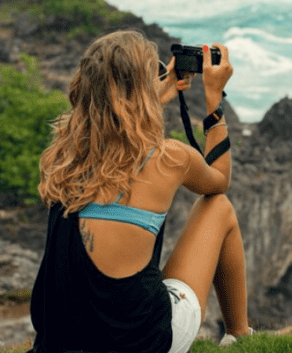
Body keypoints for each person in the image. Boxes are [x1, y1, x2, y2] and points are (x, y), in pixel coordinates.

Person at [28, 29, 251, 353]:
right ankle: (240, 336)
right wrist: (214, 99)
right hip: (143, 342)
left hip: (60, 343)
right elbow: (219, 179)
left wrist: (159, 91)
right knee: (218, 207)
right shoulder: (168, 158)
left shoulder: (66, 155)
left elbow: (113, 118)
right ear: (138, 94)